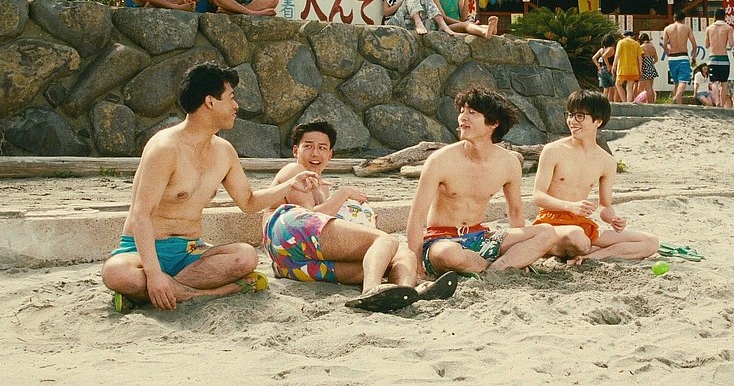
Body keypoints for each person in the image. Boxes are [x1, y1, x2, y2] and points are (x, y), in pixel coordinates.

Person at [101, 62, 322, 312]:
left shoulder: (224, 152)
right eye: (231, 97)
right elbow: (141, 215)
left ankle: (154, 294)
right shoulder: (165, 148)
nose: (236, 106)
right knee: (116, 273)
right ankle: (210, 291)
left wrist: (290, 185)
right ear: (210, 101)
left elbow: (248, 202)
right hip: (142, 251)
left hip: (191, 253)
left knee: (245, 256)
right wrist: (153, 274)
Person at [263, 120, 458, 312]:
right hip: (285, 237)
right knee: (386, 240)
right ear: (295, 151)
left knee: (398, 257)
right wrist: (343, 193)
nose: (315, 153)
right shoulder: (295, 171)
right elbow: (309, 218)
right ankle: (371, 290)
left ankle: (407, 293)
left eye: (322, 147)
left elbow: (315, 226)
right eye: (308, 146)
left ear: (330, 154)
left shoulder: (322, 187)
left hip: (292, 264)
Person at [406, 88, 588, 278]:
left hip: (481, 237)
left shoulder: (509, 163)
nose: (463, 118)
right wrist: (416, 263)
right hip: (441, 240)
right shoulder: (440, 160)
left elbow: (515, 212)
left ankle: (496, 268)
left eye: (472, 112)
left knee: (547, 232)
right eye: (462, 111)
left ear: (493, 123)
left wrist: (521, 250)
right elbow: (417, 215)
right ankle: (495, 265)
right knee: (449, 254)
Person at [532, 90, 659, 264]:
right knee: (577, 237)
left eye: (580, 116)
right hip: (551, 223)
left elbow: (605, 206)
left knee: (650, 242)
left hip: (582, 225)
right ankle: (584, 250)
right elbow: (538, 196)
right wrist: (570, 206)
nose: (572, 121)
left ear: (598, 121)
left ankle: (589, 257)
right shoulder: (553, 150)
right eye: (570, 115)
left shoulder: (607, 161)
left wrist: (613, 219)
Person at [704, 9, 734, 108]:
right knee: (724, 83)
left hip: (712, 58)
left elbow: (706, 45)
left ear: (714, 17)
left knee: (714, 82)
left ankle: (717, 102)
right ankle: (723, 104)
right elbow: (731, 44)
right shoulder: (728, 28)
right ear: (725, 17)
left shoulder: (709, 28)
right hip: (724, 58)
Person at [663, 10, 698, 104]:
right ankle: (676, 97)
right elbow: (694, 44)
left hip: (672, 57)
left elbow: (664, 44)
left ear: (674, 18)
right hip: (683, 56)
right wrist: (694, 56)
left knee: (676, 83)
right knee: (683, 81)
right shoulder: (686, 28)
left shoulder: (667, 28)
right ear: (683, 19)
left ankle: (678, 104)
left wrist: (667, 53)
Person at [612, 30, 642, 103]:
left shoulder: (621, 42)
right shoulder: (636, 44)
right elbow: (640, 58)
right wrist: (640, 70)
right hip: (633, 69)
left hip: (622, 68)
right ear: (633, 36)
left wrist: (614, 65)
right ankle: (628, 103)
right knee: (629, 87)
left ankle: (624, 101)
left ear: (624, 36)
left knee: (618, 84)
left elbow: (617, 55)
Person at [592, 34, 617, 102]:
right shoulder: (611, 49)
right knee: (613, 87)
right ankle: (611, 101)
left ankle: (604, 101)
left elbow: (594, 58)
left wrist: (598, 66)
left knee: (605, 88)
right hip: (609, 69)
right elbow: (604, 56)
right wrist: (608, 65)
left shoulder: (601, 49)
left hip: (602, 69)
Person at [638, 33, 659, 104]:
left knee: (647, 88)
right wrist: (650, 63)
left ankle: (650, 103)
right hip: (651, 67)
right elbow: (656, 59)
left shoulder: (642, 47)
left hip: (645, 68)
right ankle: (652, 102)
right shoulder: (652, 47)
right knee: (651, 87)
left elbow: (640, 59)